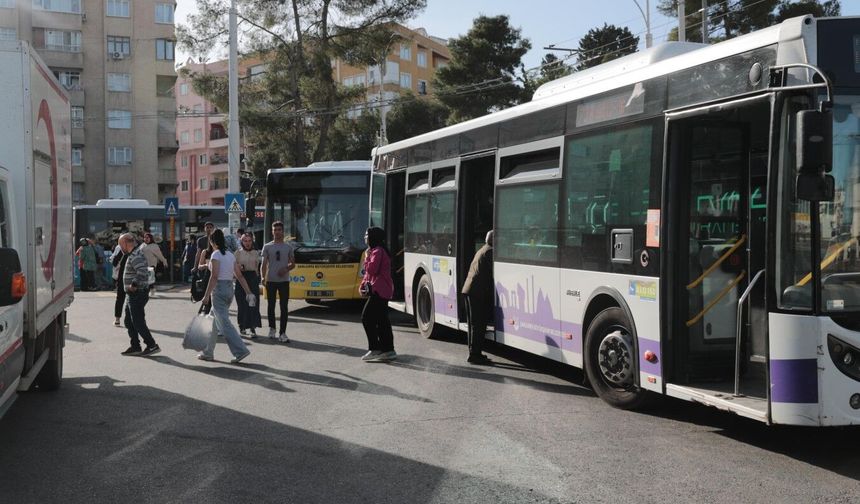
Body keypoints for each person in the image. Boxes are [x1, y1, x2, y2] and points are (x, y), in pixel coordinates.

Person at [198, 229, 253, 363]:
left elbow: (214, 276)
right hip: (229, 289)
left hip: (219, 290)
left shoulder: (216, 254)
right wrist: (248, 292)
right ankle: (207, 352)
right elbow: (239, 275)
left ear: (212, 241)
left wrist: (206, 296)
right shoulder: (230, 255)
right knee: (212, 322)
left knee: (224, 324)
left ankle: (240, 351)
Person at [119, 233, 160, 357]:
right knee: (128, 321)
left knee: (137, 321)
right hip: (131, 294)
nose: (120, 247)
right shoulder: (132, 254)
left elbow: (142, 271)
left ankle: (151, 344)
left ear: (126, 243)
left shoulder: (136, 255)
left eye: (120, 244)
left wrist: (134, 284)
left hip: (137, 293)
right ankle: (135, 346)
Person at [360, 227, 396, 362]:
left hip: (380, 291)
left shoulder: (377, 251)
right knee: (382, 321)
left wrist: (366, 257)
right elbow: (369, 275)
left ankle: (375, 348)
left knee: (367, 317)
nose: (365, 238)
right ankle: (388, 350)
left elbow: (372, 270)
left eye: (367, 235)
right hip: (379, 290)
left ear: (373, 237)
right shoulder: (375, 251)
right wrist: (362, 285)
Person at [462, 230, 494, 365]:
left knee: (474, 324)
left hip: (470, 290)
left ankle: (474, 352)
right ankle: (474, 354)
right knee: (478, 324)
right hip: (477, 292)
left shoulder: (483, 249)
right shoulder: (490, 252)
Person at [261, 221, 295, 343]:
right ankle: (272, 328)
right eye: (275, 230)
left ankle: (283, 333)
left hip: (284, 281)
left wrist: (286, 268)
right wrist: (263, 277)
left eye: (279, 230)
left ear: (282, 231)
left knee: (284, 307)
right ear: (272, 231)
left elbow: (293, 263)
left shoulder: (288, 247)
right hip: (271, 280)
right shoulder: (267, 246)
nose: (277, 232)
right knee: (271, 306)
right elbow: (264, 264)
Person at [234, 233, 262, 337]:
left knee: (253, 303)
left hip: (253, 278)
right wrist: (238, 266)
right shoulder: (237, 253)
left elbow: (258, 267)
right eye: (245, 241)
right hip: (241, 278)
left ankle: (252, 328)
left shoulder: (256, 253)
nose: (247, 243)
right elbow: (233, 267)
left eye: (249, 240)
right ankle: (242, 326)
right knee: (242, 305)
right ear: (242, 242)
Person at [141, 232, 168, 297]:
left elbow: (160, 255)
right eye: (145, 237)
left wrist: (164, 261)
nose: (146, 239)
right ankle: (150, 289)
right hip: (143, 265)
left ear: (151, 238)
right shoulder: (142, 245)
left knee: (149, 278)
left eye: (148, 237)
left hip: (151, 265)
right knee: (144, 278)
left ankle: (151, 290)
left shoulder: (154, 246)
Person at [110, 243, 128, 326]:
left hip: (123, 279)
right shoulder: (136, 251)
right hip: (130, 280)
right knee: (131, 300)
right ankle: (121, 319)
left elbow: (114, 262)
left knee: (120, 299)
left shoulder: (122, 251)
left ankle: (117, 319)